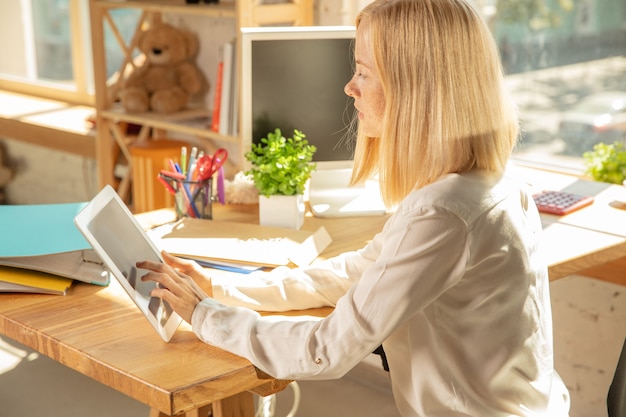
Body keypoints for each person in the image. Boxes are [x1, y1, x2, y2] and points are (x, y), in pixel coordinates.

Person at [138, 0, 571, 415]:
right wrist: (220, 290)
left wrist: (205, 315)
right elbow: (353, 273)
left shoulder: (443, 213)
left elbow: (325, 350)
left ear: (415, 87)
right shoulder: (487, 185)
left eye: (363, 72)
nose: (349, 87)